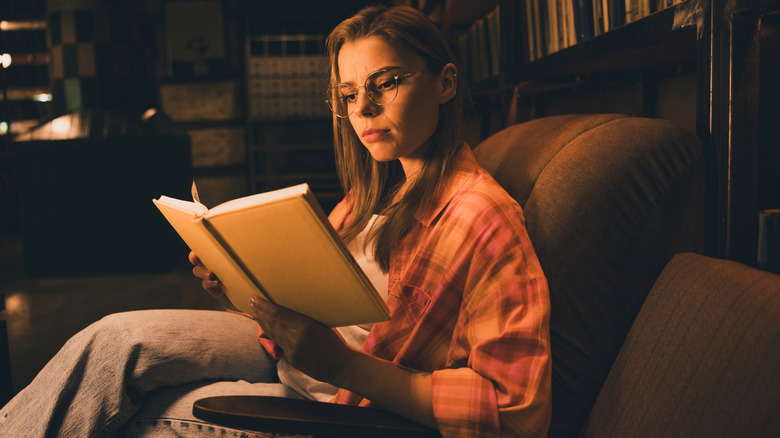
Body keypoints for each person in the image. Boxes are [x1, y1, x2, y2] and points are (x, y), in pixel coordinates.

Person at [0, 4, 551, 437]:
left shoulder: (484, 217)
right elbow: (313, 301)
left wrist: (345, 368)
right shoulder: (373, 194)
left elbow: (518, 413)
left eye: (387, 82)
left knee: (132, 410)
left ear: (446, 83)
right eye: (349, 93)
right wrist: (239, 284)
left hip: (341, 403)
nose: (363, 109)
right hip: (289, 354)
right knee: (117, 338)